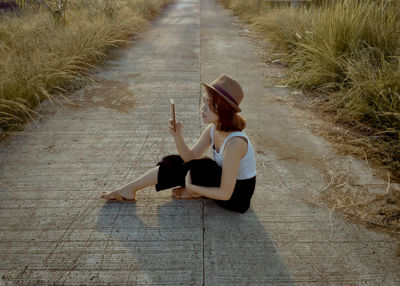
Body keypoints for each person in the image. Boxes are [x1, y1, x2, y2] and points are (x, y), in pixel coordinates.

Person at [101, 74, 257, 213]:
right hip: (224, 180)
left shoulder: (235, 143)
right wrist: (177, 135)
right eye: (203, 101)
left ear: (223, 111)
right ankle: (128, 190)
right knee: (178, 162)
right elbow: (189, 157)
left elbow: (226, 193)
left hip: (236, 197)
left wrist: (192, 187)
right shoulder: (213, 129)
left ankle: (196, 192)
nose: (202, 109)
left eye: (209, 106)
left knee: (199, 167)